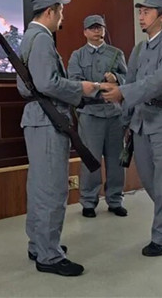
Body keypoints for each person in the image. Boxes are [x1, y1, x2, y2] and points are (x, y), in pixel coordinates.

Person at [17, 0, 103, 277]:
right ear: (50, 11)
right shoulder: (41, 38)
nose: (62, 17)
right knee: (52, 189)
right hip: (48, 119)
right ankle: (49, 255)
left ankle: (39, 244)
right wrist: (81, 88)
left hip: (39, 119)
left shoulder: (30, 37)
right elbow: (47, 83)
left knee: (39, 186)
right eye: (61, 11)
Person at [102, 0, 162, 257]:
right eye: (140, 12)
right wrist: (126, 121)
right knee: (150, 179)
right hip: (141, 121)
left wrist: (123, 93)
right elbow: (131, 81)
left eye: (146, 12)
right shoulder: (139, 49)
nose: (141, 17)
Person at [67, 15, 128, 219]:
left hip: (113, 113)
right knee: (90, 161)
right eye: (92, 28)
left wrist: (117, 77)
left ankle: (115, 200)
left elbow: (129, 79)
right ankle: (88, 201)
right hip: (90, 114)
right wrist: (99, 87)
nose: (97, 31)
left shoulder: (116, 53)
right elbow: (74, 82)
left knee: (116, 160)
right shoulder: (77, 56)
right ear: (85, 32)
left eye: (100, 27)